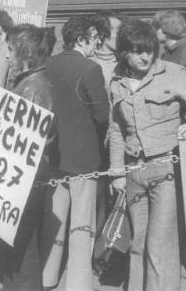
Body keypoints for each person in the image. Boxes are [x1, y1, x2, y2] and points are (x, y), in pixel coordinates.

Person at [108, 19, 186, 291]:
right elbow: (117, 127)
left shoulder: (173, 73)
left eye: (150, 50)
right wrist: (117, 171)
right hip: (133, 172)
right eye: (137, 51)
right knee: (138, 243)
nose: (145, 56)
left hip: (165, 170)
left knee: (160, 245)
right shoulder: (116, 79)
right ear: (124, 52)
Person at [42, 16, 109, 291]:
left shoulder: (48, 64)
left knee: (53, 220)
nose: (98, 45)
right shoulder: (91, 68)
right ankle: (79, 284)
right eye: (95, 39)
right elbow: (103, 116)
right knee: (82, 224)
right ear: (83, 38)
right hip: (83, 156)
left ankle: (47, 277)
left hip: (54, 153)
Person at [0, 25, 56, 291]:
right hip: (25, 174)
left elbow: (18, 134)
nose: (7, 55)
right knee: (16, 239)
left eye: (10, 49)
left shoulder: (32, 86)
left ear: (24, 52)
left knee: (23, 241)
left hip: (24, 175)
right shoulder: (31, 81)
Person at [91, 10, 122, 87]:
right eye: (118, 31)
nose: (122, 35)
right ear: (102, 34)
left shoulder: (125, 63)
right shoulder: (88, 63)